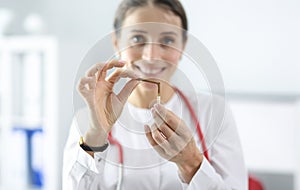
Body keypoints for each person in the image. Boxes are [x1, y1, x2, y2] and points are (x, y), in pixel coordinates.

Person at [63, 0, 248, 189]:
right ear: (117, 43)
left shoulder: (213, 111)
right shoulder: (88, 121)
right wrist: (96, 134)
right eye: (137, 39)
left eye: (167, 40)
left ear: (182, 46)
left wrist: (191, 162)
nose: (151, 56)